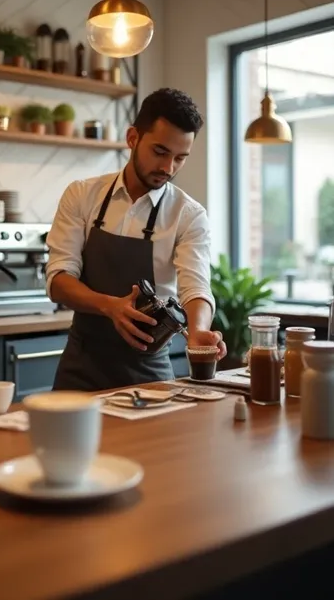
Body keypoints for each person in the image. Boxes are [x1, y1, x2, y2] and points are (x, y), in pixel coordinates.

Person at [46, 87, 227, 391]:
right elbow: (58, 279)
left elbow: (195, 286)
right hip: (80, 367)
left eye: (180, 158)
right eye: (160, 152)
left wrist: (197, 332)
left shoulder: (189, 215)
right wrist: (109, 306)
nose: (168, 168)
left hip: (149, 372)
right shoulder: (81, 194)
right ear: (133, 138)